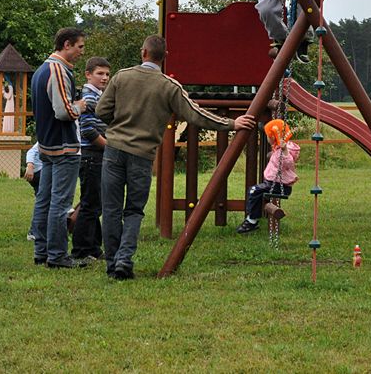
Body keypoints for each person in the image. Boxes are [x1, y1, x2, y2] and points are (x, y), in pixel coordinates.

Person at [96, 35, 256, 280]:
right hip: (142, 154)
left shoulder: (121, 77)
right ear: (165, 57)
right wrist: (232, 123)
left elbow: (101, 111)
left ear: (143, 52)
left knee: (111, 209)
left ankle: (111, 263)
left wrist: (117, 126)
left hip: (114, 149)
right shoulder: (169, 86)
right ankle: (124, 260)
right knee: (134, 210)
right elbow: (195, 114)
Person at [30, 27, 87, 269]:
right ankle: (57, 255)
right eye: (79, 47)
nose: (82, 52)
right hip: (63, 147)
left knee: (44, 200)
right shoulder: (58, 70)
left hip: (46, 144)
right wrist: (81, 106)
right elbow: (63, 111)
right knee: (60, 203)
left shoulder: (41, 70)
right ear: (66, 45)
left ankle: (41, 251)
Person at [71, 56, 111, 261]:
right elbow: (87, 130)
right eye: (99, 73)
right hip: (91, 155)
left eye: (107, 74)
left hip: (96, 155)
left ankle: (94, 248)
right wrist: (109, 148)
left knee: (96, 203)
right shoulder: (89, 97)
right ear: (88, 74)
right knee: (89, 204)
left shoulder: (99, 95)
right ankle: (80, 250)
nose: (104, 78)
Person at [236, 119, 300, 233]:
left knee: (253, 191)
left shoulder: (284, 150)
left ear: (273, 136)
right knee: (255, 191)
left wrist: (284, 151)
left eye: (267, 136)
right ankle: (252, 219)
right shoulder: (278, 148)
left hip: (280, 186)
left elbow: (288, 163)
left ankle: (251, 221)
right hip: (275, 184)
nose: (267, 138)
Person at [23, 141, 42, 241]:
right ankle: (33, 232)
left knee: (43, 201)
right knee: (43, 202)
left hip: (38, 171)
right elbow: (31, 151)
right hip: (38, 172)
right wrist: (30, 166)